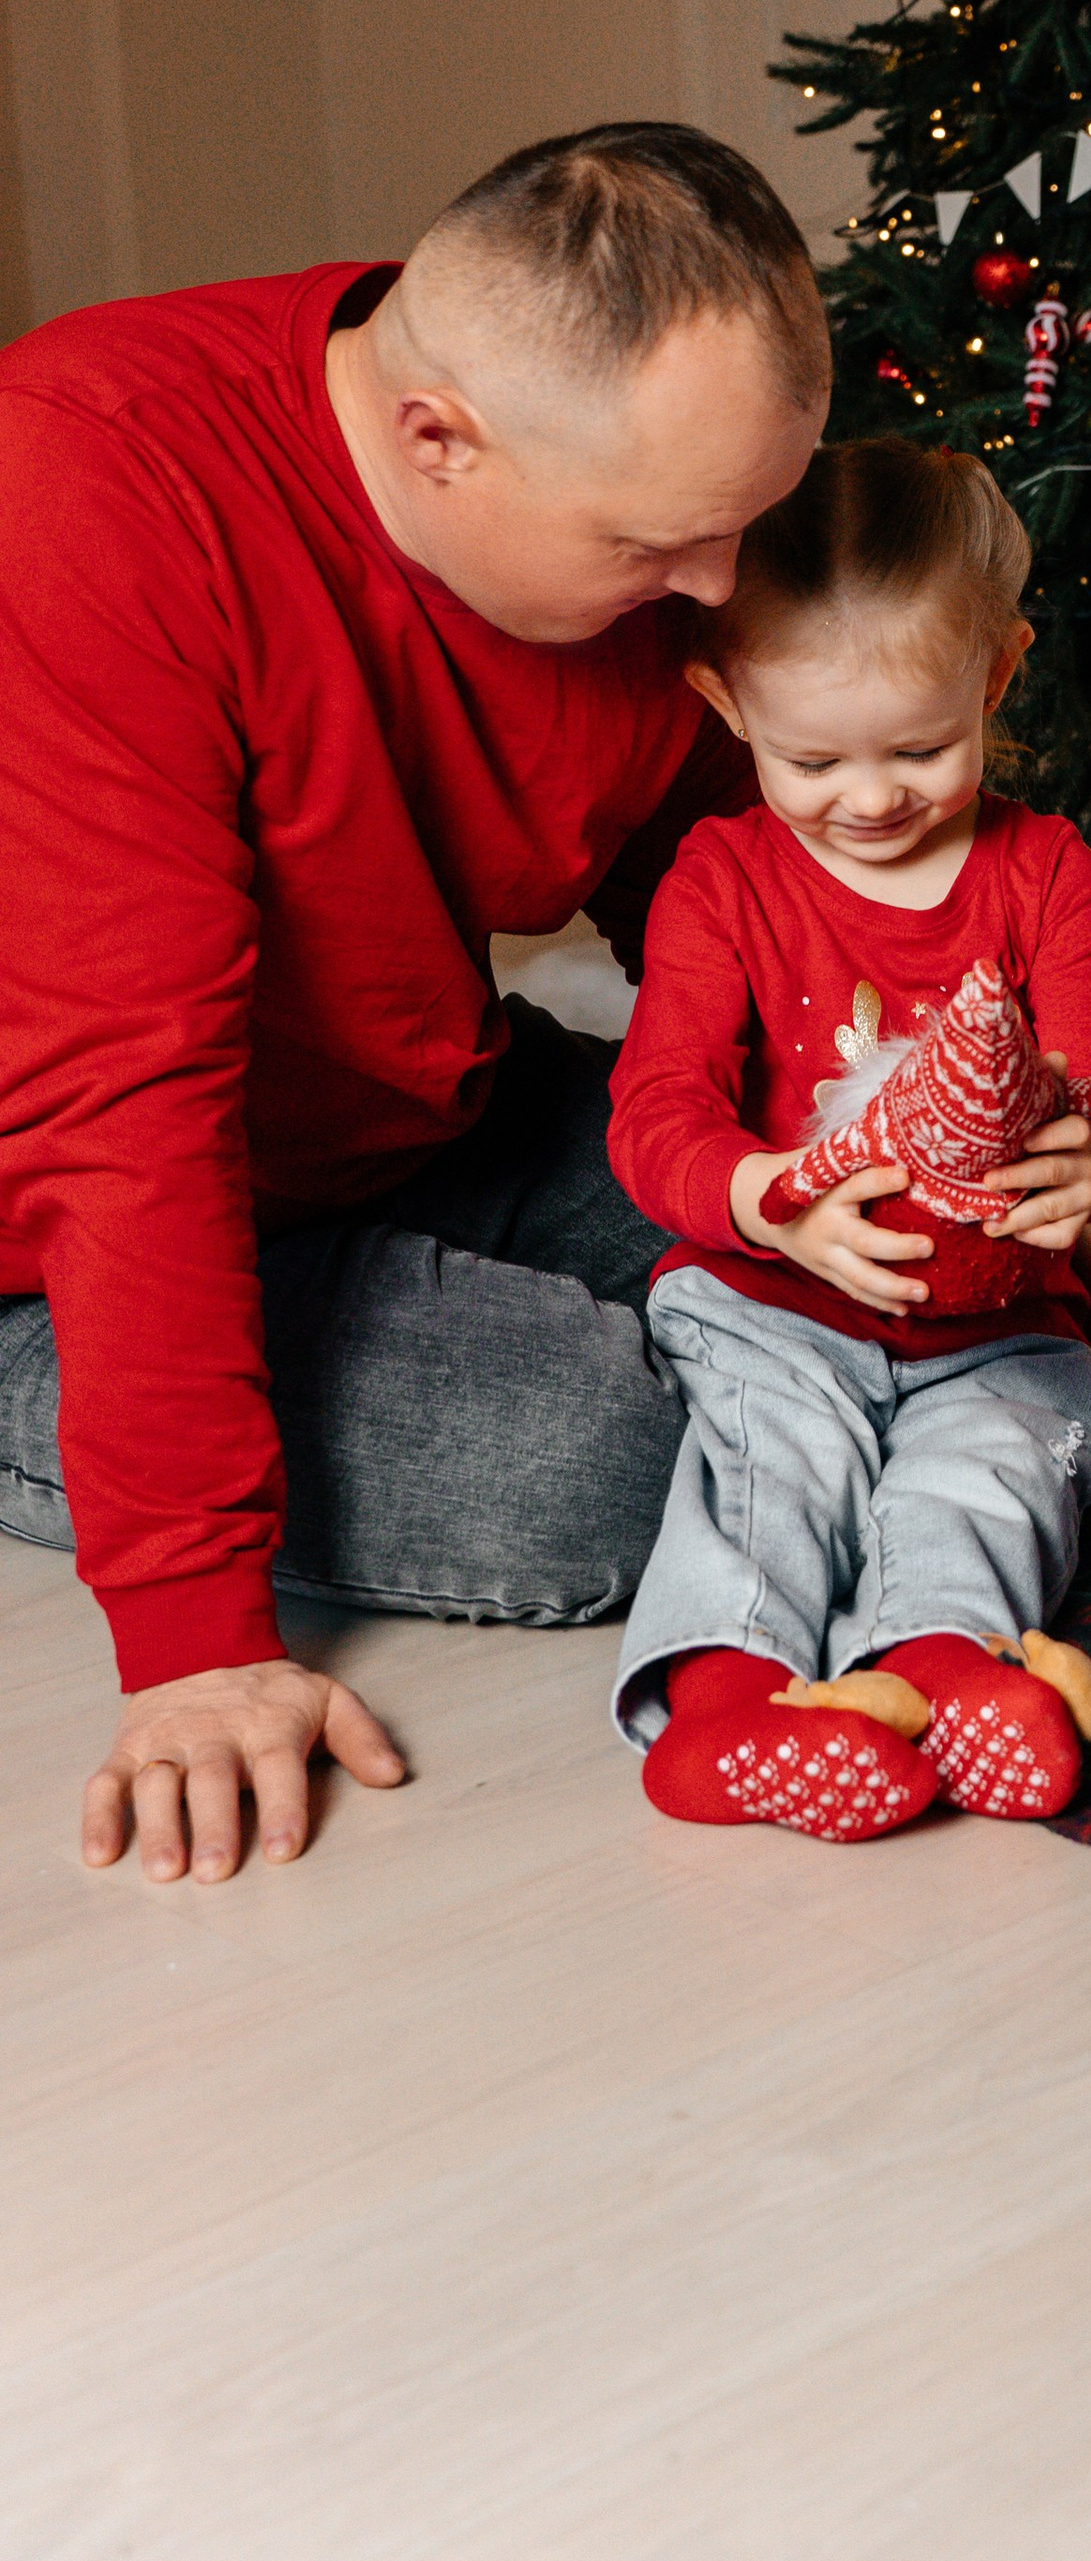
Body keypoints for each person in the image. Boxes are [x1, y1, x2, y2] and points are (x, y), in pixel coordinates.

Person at [0, 122, 831, 1885]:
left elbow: (724, 906)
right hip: (62, 1225)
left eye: (742, 527)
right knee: (612, 1471)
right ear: (437, 439)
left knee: (883, 1295)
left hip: (404, 1108)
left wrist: (950, 1202)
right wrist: (197, 1636)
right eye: (659, 544)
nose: (717, 591)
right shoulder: (84, 484)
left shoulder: (614, 510)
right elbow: (125, 1100)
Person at [605, 439, 1091, 1844]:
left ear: (996, 677)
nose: (870, 798)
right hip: (772, 1303)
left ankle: (941, 1676)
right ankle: (725, 1707)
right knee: (766, 1471)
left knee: (1002, 1470)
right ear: (723, 700)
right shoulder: (721, 880)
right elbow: (656, 1114)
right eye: (812, 759)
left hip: (1003, 1322)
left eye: (921, 749)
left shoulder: (1050, 873)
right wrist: (766, 1199)